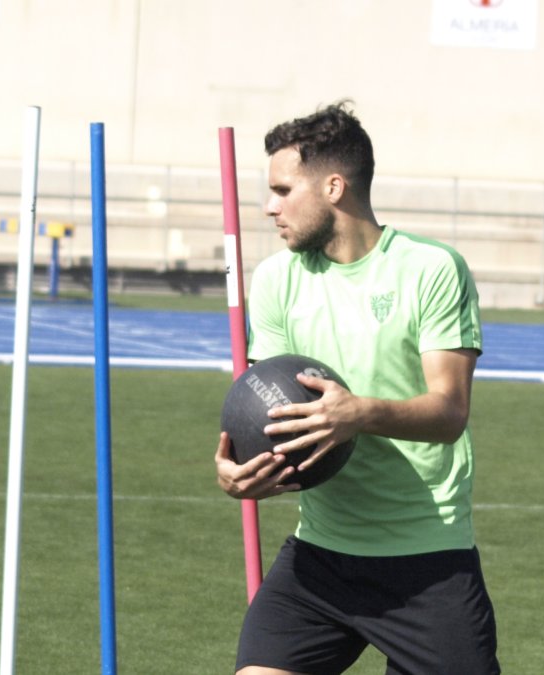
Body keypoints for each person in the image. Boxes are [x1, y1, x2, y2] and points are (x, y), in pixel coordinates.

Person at [213, 101, 500, 675]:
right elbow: (271, 411)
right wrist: (244, 468)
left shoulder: (432, 269)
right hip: (320, 557)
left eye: (282, 189)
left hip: (426, 559)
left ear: (335, 187)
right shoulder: (275, 280)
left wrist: (358, 414)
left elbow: (449, 413)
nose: (269, 207)